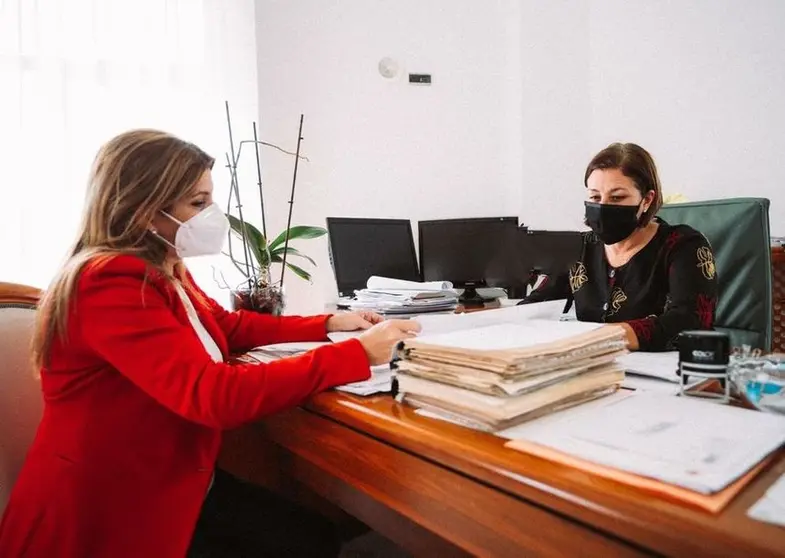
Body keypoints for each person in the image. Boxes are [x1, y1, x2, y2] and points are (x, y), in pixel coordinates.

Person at [0, 129, 421, 558]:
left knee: (311, 537)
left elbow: (225, 326)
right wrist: (356, 353)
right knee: (307, 541)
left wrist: (330, 322)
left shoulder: (164, 265)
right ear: (147, 210)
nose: (212, 214)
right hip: (111, 506)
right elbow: (212, 395)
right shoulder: (110, 282)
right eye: (198, 203)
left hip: (175, 474)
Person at [522, 142, 718, 352]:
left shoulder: (683, 245)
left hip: (664, 374)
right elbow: (536, 306)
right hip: (592, 369)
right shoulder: (579, 248)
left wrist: (597, 338)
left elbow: (691, 320)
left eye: (617, 197)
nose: (604, 206)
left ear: (646, 200)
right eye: (595, 197)